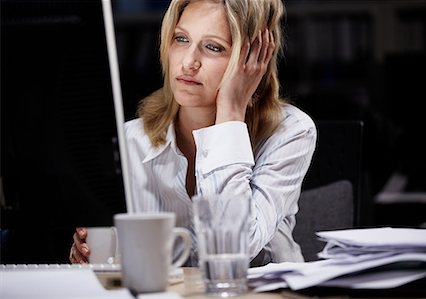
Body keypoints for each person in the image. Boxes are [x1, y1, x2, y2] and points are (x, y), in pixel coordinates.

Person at [70, 0, 316, 266]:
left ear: (253, 60)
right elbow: (123, 260)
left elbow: (235, 246)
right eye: (181, 39)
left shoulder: (291, 132)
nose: (188, 62)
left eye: (213, 47)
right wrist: (90, 256)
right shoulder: (130, 141)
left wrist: (230, 113)